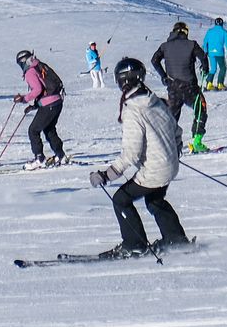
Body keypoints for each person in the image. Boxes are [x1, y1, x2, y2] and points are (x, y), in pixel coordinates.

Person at [89, 57, 191, 257]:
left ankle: (134, 244)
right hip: (170, 164)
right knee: (154, 199)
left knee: (121, 199)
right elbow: (176, 130)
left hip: (155, 169)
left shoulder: (133, 110)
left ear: (122, 81)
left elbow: (131, 152)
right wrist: (171, 150)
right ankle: (176, 239)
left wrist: (107, 175)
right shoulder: (154, 100)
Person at [151, 21, 208, 135]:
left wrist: (163, 76)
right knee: (200, 109)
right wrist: (205, 68)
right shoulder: (192, 44)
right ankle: (197, 140)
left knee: (172, 116)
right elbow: (203, 57)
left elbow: (154, 60)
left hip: (173, 87)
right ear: (186, 32)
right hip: (190, 87)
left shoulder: (165, 46)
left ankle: (168, 142)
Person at [14, 49, 68, 168]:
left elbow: (38, 90)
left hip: (49, 104)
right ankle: (61, 155)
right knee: (49, 129)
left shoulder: (30, 71)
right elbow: (44, 89)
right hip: (57, 102)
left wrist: (24, 99)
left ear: (23, 61)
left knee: (33, 130)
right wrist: (35, 106)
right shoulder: (40, 66)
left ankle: (40, 159)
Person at [201, 17, 227, 91]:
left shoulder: (209, 31)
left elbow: (205, 42)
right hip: (219, 53)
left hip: (211, 53)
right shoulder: (224, 32)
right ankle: (220, 84)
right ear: (222, 23)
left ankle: (209, 84)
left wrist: (205, 51)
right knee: (223, 68)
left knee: (213, 69)